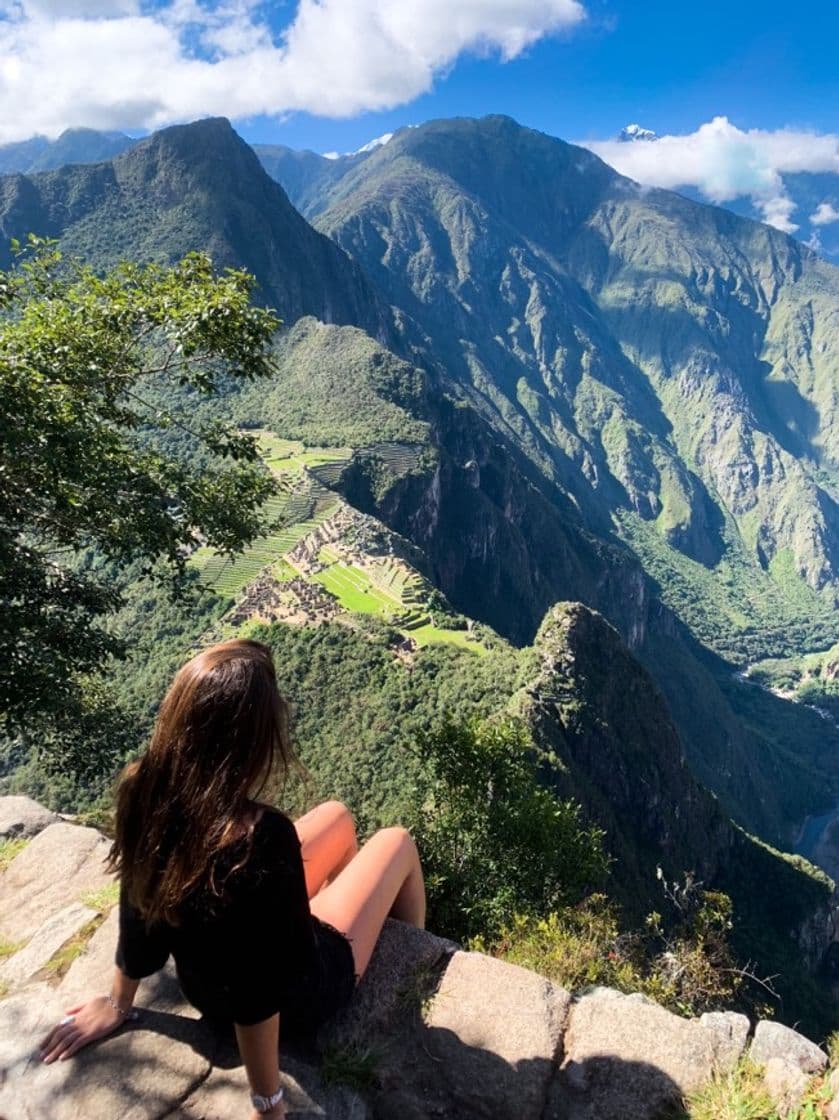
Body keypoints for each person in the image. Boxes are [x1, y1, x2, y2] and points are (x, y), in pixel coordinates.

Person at [38, 638, 426, 1119]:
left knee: (338, 816)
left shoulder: (146, 791)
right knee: (397, 841)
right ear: (250, 740)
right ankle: (414, 960)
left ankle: (328, 912)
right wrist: (268, 1102)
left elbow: (140, 904)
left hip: (202, 986)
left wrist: (118, 1003)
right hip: (300, 993)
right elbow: (257, 992)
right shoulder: (261, 839)